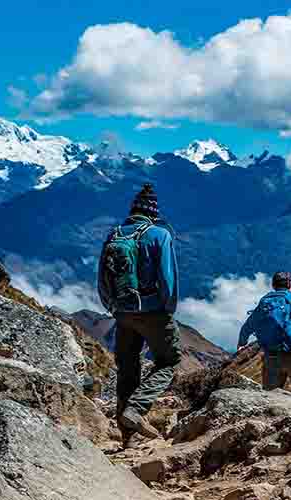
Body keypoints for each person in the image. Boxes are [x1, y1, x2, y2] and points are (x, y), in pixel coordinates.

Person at [97, 183, 181, 445]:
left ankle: (127, 436)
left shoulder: (114, 235)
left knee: (128, 368)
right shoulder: (159, 235)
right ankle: (136, 409)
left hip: (121, 312)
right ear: (153, 213)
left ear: (132, 211)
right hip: (153, 310)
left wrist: (111, 306)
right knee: (169, 360)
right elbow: (168, 279)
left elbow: (101, 277)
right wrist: (167, 309)